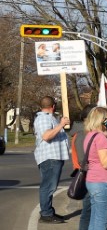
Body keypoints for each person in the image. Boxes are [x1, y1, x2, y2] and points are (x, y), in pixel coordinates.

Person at [33, 95, 71, 223]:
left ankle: (48, 210)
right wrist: (60, 125)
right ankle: (46, 214)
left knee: (50, 186)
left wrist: (61, 124)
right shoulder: (43, 119)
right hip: (49, 157)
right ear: (53, 106)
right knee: (48, 186)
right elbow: (46, 136)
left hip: (54, 156)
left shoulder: (49, 118)